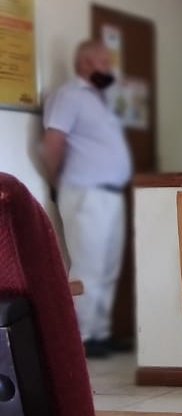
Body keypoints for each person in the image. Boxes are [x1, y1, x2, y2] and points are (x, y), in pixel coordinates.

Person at [40, 39, 133, 359]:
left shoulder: (103, 99)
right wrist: (56, 181)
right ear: (84, 63)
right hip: (85, 192)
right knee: (87, 266)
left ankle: (100, 334)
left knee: (108, 267)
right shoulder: (69, 96)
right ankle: (80, 337)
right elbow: (53, 142)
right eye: (104, 63)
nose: (109, 69)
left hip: (111, 193)